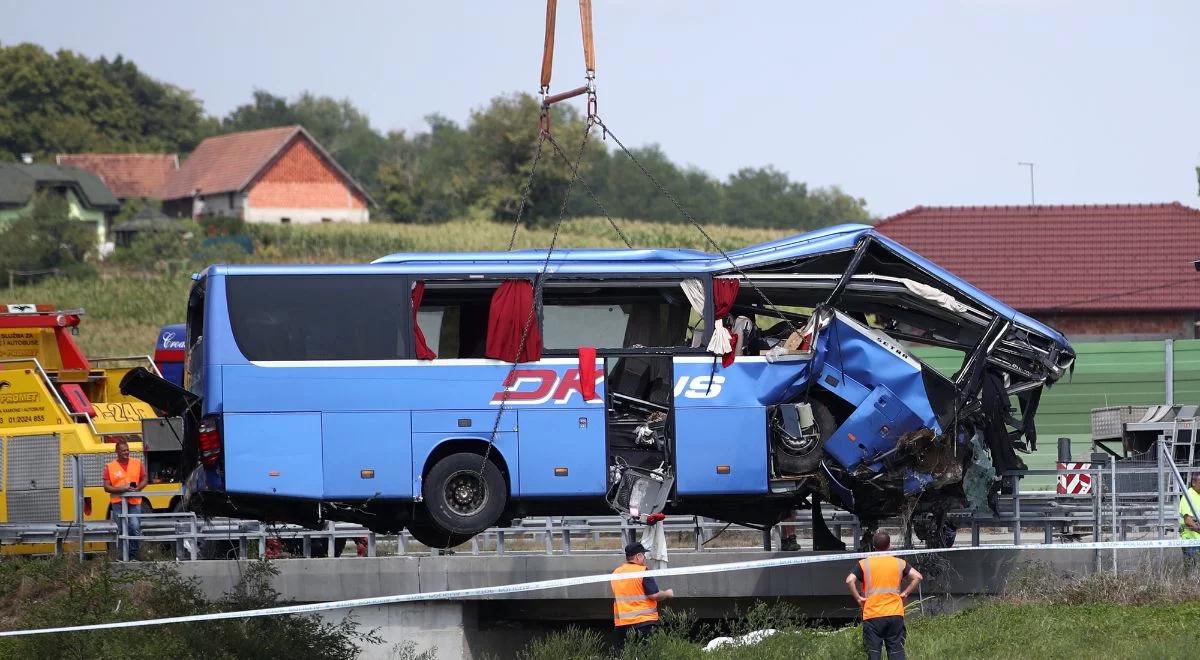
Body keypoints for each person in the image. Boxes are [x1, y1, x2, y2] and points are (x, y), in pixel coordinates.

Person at [845, 531, 923, 660]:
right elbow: (918, 577)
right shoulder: (899, 563)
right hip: (895, 613)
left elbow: (849, 580)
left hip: (872, 614)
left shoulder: (864, 564)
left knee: (874, 654)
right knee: (896, 653)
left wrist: (859, 598)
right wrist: (905, 593)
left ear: (873, 546)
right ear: (890, 546)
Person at [611, 541, 674, 654]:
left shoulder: (616, 573)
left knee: (623, 655)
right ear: (638, 556)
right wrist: (667, 593)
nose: (645, 558)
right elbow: (654, 595)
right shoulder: (642, 571)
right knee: (647, 655)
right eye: (643, 555)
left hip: (621, 624)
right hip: (644, 623)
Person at [103, 439, 147, 560]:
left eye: (127, 450)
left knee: (134, 527)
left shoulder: (137, 463)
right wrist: (122, 489)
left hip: (134, 501)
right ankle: (123, 556)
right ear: (117, 451)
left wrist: (138, 488)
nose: (126, 452)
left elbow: (145, 479)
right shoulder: (110, 467)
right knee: (122, 529)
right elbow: (106, 487)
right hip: (118, 502)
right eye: (123, 450)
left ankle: (133, 556)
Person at [1180, 473, 1200, 561]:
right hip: (1190, 540)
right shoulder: (1188, 496)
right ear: (1194, 483)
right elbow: (1188, 521)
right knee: (1192, 568)